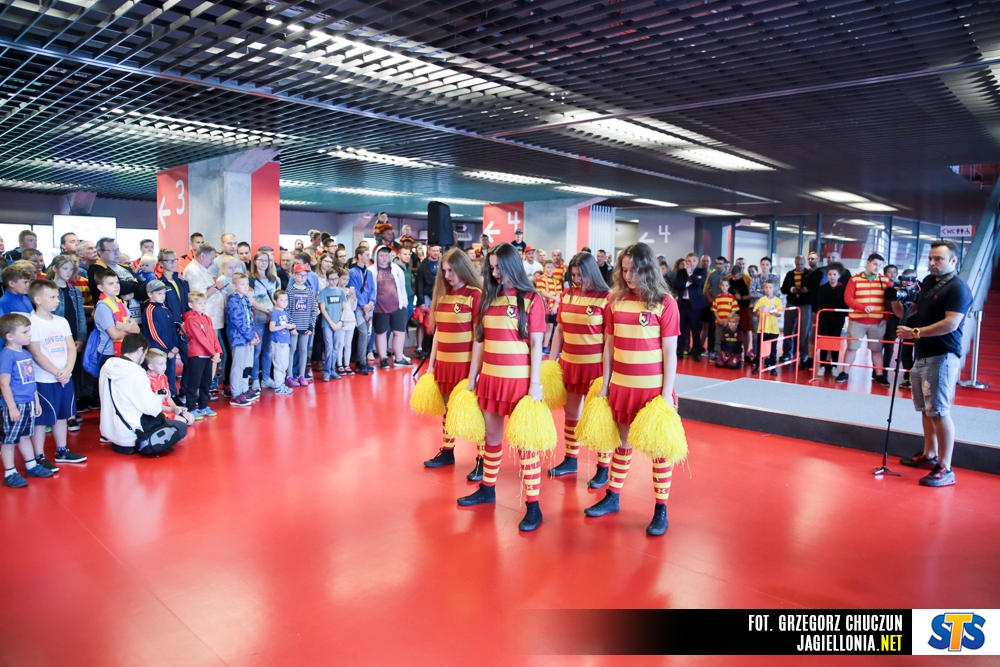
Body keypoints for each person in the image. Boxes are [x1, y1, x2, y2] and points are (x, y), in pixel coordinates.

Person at [585, 242, 680, 536]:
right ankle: (613, 496)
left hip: (653, 392)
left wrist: (666, 395)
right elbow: (609, 346)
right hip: (622, 387)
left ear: (647, 269)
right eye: (624, 270)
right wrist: (605, 383)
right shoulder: (615, 300)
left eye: (634, 271)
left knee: (659, 451)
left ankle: (661, 509)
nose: (628, 276)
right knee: (622, 444)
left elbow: (670, 352)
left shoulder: (665, 303)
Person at [457, 243, 546, 532]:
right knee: (490, 439)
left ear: (512, 266)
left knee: (525, 445)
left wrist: (535, 385)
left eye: (499, 268)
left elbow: (536, 344)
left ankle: (534, 505)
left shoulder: (532, 299)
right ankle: (487, 488)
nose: (495, 273)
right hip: (491, 380)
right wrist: (472, 378)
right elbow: (480, 341)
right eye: (492, 268)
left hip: (519, 383)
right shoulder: (489, 297)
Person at [896, 240, 972, 487]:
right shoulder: (928, 282)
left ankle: (946, 467)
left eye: (938, 258)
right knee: (926, 409)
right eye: (930, 258)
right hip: (922, 354)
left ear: (953, 261)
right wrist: (895, 298)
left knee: (939, 411)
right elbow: (907, 312)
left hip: (943, 355)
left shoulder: (958, 288)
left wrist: (915, 333)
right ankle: (929, 453)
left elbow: (951, 323)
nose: (932, 262)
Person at [546, 252, 612, 484]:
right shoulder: (567, 295)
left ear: (591, 272)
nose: (577, 280)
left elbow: (609, 341)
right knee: (571, 414)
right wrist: (551, 362)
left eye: (581, 275)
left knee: (600, 418)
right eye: (573, 275)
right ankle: (571, 458)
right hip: (570, 365)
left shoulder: (607, 298)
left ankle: (603, 466)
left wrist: (608, 375)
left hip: (596, 369)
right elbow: (560, 331)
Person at [422, 249, 484, 474]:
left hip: (465, 365)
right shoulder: (443, 294)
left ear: (462, 268)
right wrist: (431, 366)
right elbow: (438, 332)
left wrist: (474, 372)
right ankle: (448, 451)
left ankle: (483, 459)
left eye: (451, 270)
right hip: (444, 364)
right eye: (444, 271)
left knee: (476, 412)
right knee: (447, 409)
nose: (447, 275)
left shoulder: (475, 295)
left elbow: (479, 337)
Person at [99, 333, 188, 455]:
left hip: (111, 432)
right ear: (140, 350)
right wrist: (158, 398)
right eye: (145, 353)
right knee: (181, 427)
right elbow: (151, 409)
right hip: (133, 435)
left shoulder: (106, 366)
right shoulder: (136, 372)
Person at [28, 281, 85, 466]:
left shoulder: (61, 321)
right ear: (37, 299)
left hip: (64, 377)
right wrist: (56, 372)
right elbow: (37, 353)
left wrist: (67, 370)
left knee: (62, 415)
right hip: (44, 379)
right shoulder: (32, 322)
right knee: (42, 420)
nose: (57, 300)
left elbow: (71, 347)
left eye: (57, 297)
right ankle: (39, 456)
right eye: (52, 297)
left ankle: (62, 450)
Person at [0, 313, 48, 488]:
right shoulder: (7, 355)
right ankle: (10, 473)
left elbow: (30, 380)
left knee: (26, 436)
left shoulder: (26, 353)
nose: (29, 335)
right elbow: (4, 383)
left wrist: (36, 400)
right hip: (14, 404)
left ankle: (31, 465)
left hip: (28, 402)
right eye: (25, 332)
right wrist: (12, 407)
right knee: (10, 440)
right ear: (10, 336)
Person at [837, 253, 891, 384]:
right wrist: (862, 307)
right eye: (875, 264)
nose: (877, 267)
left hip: (877, 322)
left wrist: (886, 317)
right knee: (851, 347)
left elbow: (889, 301)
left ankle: (879, 375)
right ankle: (844, 372)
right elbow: (848, 298)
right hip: (857, 320)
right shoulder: (854, 279)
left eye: (879, 265)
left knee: (877, 349)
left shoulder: (885, 281)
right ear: (868, 263)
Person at [46, 255, 86, 429]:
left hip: (73, 337)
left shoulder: (74, 291)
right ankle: (62, 414)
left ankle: (71, 411)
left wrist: (81, 338)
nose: (68, 272)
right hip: (56, 338)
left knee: (73, 375)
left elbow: (80, 316)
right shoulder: (48, 290)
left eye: (71, 269)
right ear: (55, 268)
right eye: (65, 268)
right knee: (59, 374)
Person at [182, 245, 229, 390]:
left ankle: (208, 386)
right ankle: (203, 389)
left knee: (214, 354)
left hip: (211, 319)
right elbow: (199, 297)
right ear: (202, 255)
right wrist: (217, 286)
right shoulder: (194, 270)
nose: (213, 261)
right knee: (208, 354)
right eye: (211, 258)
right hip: (203, 320)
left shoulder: (202, 269)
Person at [156, 249, 190, 400]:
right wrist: (176, 323)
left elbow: (188, 305)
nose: (172, 263)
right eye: (168, 260)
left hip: (184, 327)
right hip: (169, 328)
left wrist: (186, 323)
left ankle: (186, 391)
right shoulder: (159, 284)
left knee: (189, 359)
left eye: (174, 260)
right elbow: (161, 309)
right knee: (169, 363)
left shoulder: (182, 282)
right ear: (161, 263)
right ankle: (172, 394)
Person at [371, 246, 412, 369]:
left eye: (386, 255)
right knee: (381, 333)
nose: (384, 258)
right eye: (381, 255)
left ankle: (399, 358)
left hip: (398, 306)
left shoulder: (396, 269)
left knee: (399, 332)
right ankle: (383, 359)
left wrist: (404, 303)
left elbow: (402, 287)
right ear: (377, 256)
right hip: (379, 307)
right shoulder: (371, 270)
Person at [182, 292, 221, 418]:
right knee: (194, 382)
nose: (203, 305)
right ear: (190, 305)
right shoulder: (191, 319)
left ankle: (203, 405)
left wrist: (217, 351)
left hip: (208, 355)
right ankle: (191, 407)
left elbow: (213, 336)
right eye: (199, 303)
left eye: (204, 303)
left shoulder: (207, 318)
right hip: (197, 355)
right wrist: (213, 352)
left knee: (206, 382)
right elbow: (200, 338)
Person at [140, 280, 181, 398]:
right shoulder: (150, 309)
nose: (162, 296)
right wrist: (170, 347)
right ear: (150, 294)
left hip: (169, 349)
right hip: (158, 350)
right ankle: (161, 399)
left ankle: (172, 396)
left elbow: (172, 329)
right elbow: (155, 333)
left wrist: (174, 346)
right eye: (159, 293)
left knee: (170, 374)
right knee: (158, 376)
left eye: (164, 293)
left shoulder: (164, 308)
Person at [88, 238, 145, 322]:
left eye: (117, 249)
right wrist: (135, 284)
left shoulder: (125, 267)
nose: (117, 253)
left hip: (138, 318)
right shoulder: (96, 269)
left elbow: (145, 288)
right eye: (112, 250)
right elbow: (118, 288)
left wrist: (133, 294)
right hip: (114, 319)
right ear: (100, 253)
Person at [93, 270, 140, 366]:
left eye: (117, 282)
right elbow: (114, 335)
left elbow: (137, 329)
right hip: (109, 353)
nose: (116, 286)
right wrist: (129, 329)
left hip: (124, 349)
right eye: (111, 284)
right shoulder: (103, 307)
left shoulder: (120, 303)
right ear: (101, 287)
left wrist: (125, 328)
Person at [225, 273, 259, 407]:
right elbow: (238, 322)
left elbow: (249, 319)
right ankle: (236, 394)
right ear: (235, 286)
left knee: (246, 365)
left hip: (248, 338)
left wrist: (254, 335)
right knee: (238, 366)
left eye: (247, 284)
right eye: (242, 284)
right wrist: (250, 337)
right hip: (238, 339)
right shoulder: (233, 301)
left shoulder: (244, 299)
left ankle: (244, 389)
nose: (245, 287)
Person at [247, 251, 278, 390]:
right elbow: (251, 300)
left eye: (266, 260)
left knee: (268, 349)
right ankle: (254, 379)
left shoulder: (273, 279)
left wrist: (274, 312)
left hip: (272, 318)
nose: (264, 263)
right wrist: (267, 310)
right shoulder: (251, 279)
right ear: (255, 261)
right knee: (257, 350)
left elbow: (277, 297)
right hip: (258, 317)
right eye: (261, 260)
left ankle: (266, 378)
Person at [144, 349, 194, 425]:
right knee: (182, 422)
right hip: (158, 411)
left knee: (190, 419)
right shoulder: (146, 379)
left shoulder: (163, 377)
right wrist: (171, 409)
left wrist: (176, 408)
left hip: (168, 408)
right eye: (161, 364)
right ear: (151, 366)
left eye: (165, 363)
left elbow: (167, 397)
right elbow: (151, 405)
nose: (164, 367)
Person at [673, 253, 707, 360]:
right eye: (689, 261)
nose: (691, 263)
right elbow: (676, 284)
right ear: (686, 261)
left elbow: (699, 283)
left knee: (695, 329)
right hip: (683, 304)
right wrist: (688, 282)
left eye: (693, 261)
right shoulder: (681, 272)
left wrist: (690, 275)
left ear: (697, 261)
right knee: (681, 329)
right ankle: (679, 351)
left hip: (695, 305)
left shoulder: (701, 271)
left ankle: (696, 352)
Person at [287, 264, 317, 386]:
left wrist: (311, 326)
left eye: (304, 276)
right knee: (292, 349)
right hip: (294, 327)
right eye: (299, 275)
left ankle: (302, 375)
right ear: (294, 275)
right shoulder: (290, 291)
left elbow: (313, 310)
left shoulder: (309, 291)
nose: (302, 278)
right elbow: (287, 310)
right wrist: (291, 325)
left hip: (305, 326)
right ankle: (289, 375)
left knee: (304, 350)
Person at [816, 264, 848, 376]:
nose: (832, 277)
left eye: (834, 274)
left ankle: (834, 366)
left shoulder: (843, 288)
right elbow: (820, 302)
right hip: (825, 319)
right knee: (824, 342)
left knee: (835, 343)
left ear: (839, 276)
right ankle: (822, 366)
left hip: (838, 320)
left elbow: (844, 304)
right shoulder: (822, 288)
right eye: (830, 274)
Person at [348, 246, 375, 376]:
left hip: (369, 308)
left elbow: (373, 290)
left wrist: (371, 304)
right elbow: (354, 291)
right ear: (359, 256)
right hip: (359, 309)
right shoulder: (352, 272)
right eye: (366, 255)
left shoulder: (369, 273)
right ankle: (362, 362)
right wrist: (364, 306)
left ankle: (361, 361)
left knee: (368, 335)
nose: (369, 257)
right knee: (363, 333)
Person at [318, 269, 346, 381]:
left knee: (336, 347)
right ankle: (327, 371)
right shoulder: (323, 292)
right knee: (329, 347)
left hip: (339, 324)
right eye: (331, 279)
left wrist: (340, 321)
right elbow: (323, 309)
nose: (333, 281)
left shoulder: (341, 292)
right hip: (327, 324)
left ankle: (332, 370)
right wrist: (331, 323)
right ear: (327, 279)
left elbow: (344, 308)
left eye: (335, 278)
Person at [875, 264, 900, 387]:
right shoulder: (880, 286)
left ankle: (884, 370)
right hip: (880, 317)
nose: (892, 274)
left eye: (894, 272)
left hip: (893, 319)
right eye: (889, 272)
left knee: (889, 346)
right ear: (884, 274)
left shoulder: (899, 287)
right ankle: (876, 371)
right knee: (877, 345)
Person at [752, 279, 783, 375]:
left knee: (773, 350)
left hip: (773, 329)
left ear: (774, 289)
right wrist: (758, 309)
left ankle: (773, 367)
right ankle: (758, 366)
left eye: (770, 287)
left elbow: (779, 314)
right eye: (766, 287)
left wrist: (773, 312)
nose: (768, 289)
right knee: (760, 349)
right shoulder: (761, 300)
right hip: (762, 328)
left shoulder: (777, 301)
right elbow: (755, 313)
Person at [268, 291, 295, 395]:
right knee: (279, 365)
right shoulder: (275, 313)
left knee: (284, 365)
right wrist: (286, 326)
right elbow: (272, 328)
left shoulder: (284, 312)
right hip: (278, 342)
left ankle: (281, 384)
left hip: (285, 341)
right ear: (275, 301)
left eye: (286, 300)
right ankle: (278, 386)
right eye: (281, 300)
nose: (284, 302)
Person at [535, 260, 561, 353]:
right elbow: (542, 292)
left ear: (554, 268)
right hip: (544, 306)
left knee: (550, 326)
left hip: (553, 307)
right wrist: (555, 298)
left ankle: (545, 346)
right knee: (542, 327)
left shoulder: (557, 280)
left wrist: (555, 306)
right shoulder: (541, 279)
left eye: (551, 267)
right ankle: (538, 345)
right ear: (544, 268)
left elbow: (558, 294)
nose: (550, 269)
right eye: (548, 267)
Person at [710, 279, 739, 357]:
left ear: (729, 286)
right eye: (722, 285)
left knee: (728, 339)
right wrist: (718, 319)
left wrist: (727, 320)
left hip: (729, 324)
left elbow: (734, 310)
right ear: (720, 286)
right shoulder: (717, 298)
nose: (724, 287)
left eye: (726, 285)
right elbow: (714, 310)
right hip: (719, 322)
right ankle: (717, 355)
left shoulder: (732, 298)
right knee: (718, 339)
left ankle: (727, 355)